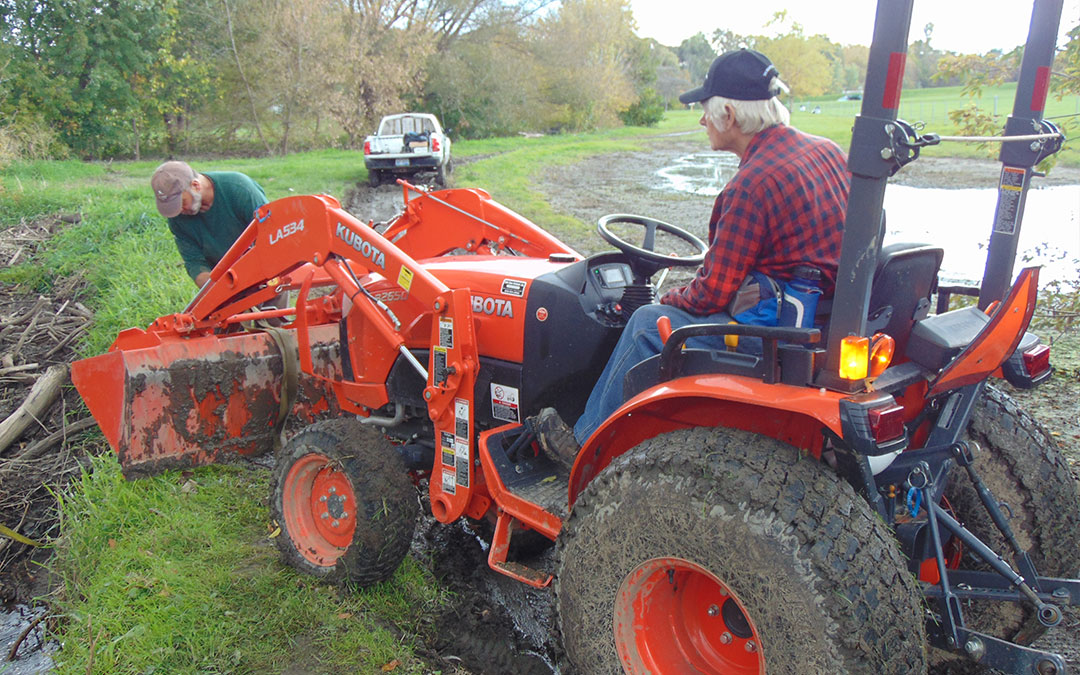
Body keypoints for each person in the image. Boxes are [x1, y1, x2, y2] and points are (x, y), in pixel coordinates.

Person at [532, 48, 851, 467]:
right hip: (821, 319)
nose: (702, 120)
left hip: (777, 337)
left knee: (647, 322)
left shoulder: (750, 187)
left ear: (729, 117)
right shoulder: (826, 150)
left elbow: (712, 292)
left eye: (705, 110)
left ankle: (584, 444)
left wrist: (667, 300)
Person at [151, 161, 268, 288]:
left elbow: (271, 234)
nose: (178, 211)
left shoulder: (239, 189)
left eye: (182, 202)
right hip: (225, 279)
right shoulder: (177, 217)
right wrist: (219, 292)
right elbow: (194, 261)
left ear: (195, 186)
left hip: (263, 267)